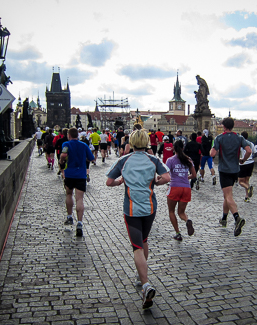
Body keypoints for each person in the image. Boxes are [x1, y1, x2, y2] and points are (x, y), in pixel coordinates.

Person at [106, 129, 171, 310]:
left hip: (132, 209)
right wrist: (156, 182)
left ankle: (146, 285)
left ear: (132, 143)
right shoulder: (154, 160)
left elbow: (109, 182)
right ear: (147, 143)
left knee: (136, 247)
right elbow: (167, 177)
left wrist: (120, 182)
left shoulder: (123, 160)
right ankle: (140, 275)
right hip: (150, 208)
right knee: (143, 240)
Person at [210, 117, 251, 236]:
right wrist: (243, 159)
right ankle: (223, 219)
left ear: (223, 126)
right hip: (235, 170)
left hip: (224, 170)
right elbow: (248, 150)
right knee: (226, 195)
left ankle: (237, 218)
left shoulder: (219, 138)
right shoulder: (239, 137)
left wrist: (211, 151)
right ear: (233, 126)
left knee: (228, 196)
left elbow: (212, 153)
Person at [60, 127, 96, 237]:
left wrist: (62, 160)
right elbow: (91, 158)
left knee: (69, 194)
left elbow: (64, 155)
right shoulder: (84, 145)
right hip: (81, 174)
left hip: (69, 174)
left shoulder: (66, 144)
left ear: (69, 135)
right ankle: (79, 223)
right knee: (79, 199)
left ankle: (69, 216)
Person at [166, 140, 196, 241]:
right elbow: (194, 175)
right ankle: (187, 220)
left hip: (175, 187)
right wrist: (185, 177)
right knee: (181, 212)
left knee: (171, 211)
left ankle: (178, 233)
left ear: (174, 148)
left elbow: (166, 175)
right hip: (186, 188)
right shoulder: (188, 160)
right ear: (183, 148)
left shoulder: (170, 160)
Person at [239, 131, 256, 203]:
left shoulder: (239, 144)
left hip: (243, 163)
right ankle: (247, 197)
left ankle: (248, 187)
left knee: (240, 182)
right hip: (251, 163)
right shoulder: (251, 144)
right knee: (246, 181)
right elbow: (256, 153)